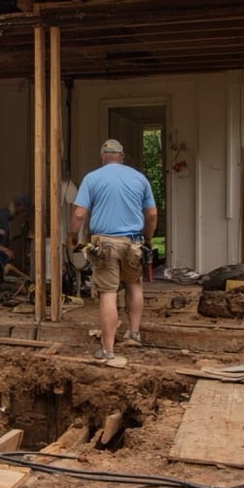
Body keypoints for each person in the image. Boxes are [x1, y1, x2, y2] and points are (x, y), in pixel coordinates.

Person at [68, 139, 158, 360]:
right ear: (122, 156)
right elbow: (153, 215)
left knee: (107, 292)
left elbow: (79, 214)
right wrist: (146, 238)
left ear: (102, 156)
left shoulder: (92, 178)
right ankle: (134, 333)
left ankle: (108, 349)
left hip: (105, 244)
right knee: (134, 283)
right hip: (133, 242)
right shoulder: (139, 178)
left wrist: (72, 237)